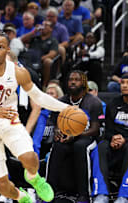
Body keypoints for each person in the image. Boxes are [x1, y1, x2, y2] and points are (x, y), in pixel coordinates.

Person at [0, 31, 71, 203]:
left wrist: (66, 108)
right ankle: (21, 197)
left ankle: (34, 178)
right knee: (2, 185)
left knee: (31, 158)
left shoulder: (19, 72)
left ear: (8, 51)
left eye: (1, 47)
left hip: (10, 123)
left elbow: (39, 98)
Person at [46, 70, 103, 203]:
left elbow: (95, 129)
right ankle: (50, 191)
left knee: (80, 146)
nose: (72, 82)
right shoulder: (61, 102)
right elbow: (55, 124)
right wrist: (57, 131)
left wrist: (74, 135)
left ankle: (84, 194)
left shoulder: (93, 102)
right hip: (68, 138)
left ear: (83, 83)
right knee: (58, 147)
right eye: (70, 79)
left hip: (88, 138)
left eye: (76, 79)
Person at [92, 73, 128, 203]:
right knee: (101, 146)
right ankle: (101, 193)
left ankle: (125, 195)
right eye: (122, 83)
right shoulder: (113, 104)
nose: (124, 86)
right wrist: (113, 138)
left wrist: (124, 139)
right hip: (116, 142)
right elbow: (108, 131)